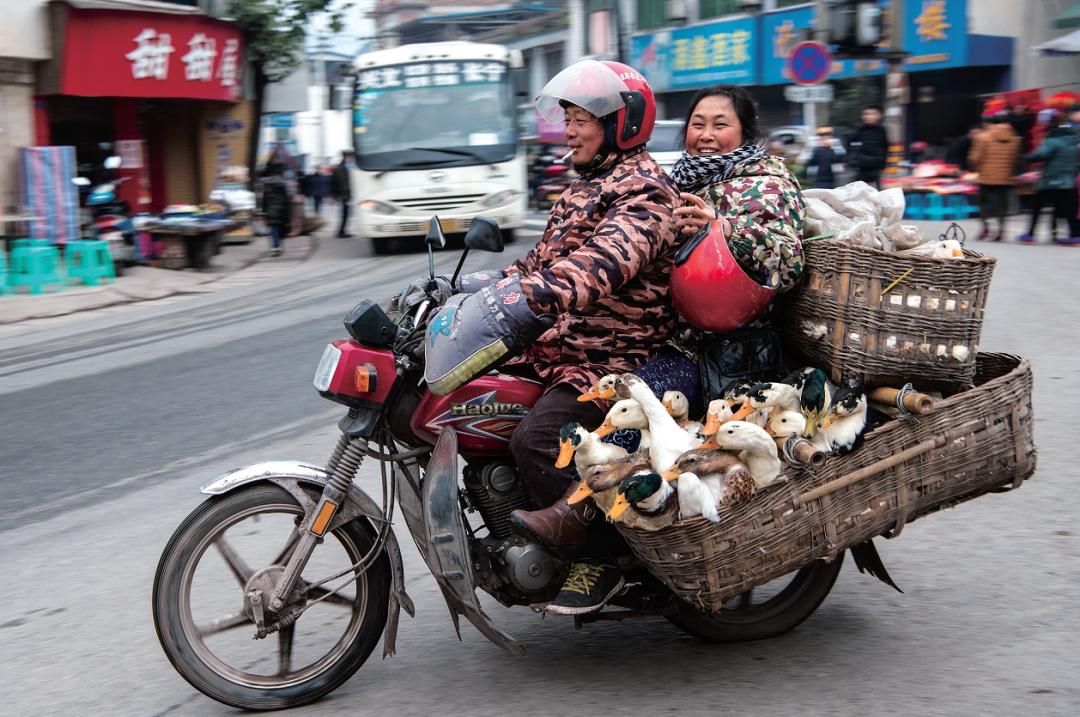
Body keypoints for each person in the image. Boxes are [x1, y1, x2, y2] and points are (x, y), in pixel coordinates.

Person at [425, 59, 682, 616]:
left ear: (623, 123)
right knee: (482, 401)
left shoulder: (644, 191)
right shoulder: (582, 190)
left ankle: (606, 562)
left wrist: (532, 298)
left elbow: (604, 262)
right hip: (560, 348)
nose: (569, 129)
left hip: (612, 359)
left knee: (538, 439)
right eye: (567, 116)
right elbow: (535, 264)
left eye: (583, 117)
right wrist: (458, 287)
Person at [669, 85, 805, 294]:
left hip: (739, 324)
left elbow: (789, 266)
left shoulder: (768, 186)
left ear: (745, 132)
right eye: (697, 124)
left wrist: (725, 230)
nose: (706, 135)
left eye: (720, 125)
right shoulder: (676, 181)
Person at [1018, 113, 1079, 244]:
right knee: (1069, 210)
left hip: (1051, 181)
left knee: (1036, 208)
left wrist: (1026, 158)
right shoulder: (1074, 141)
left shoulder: (1052, 140)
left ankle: (1030, 235)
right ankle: (1074, 235)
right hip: (1069, 181)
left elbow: (1039, 154)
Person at [969, 112, 1021, 242]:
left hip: (986, 177)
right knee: (1002, 205)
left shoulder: (982, 137)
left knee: (982, 203)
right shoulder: (1015, 139)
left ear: (992, 122)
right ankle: (1001, 231)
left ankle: (985, 226)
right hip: (1005, 178)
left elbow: (975, 158)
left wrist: (976, 168)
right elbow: (1016, 159)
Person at [848, 106, 889, 188]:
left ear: (879, 116)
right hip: (861, 167)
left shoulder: (882, 130)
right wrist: (853, 159)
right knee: (857, 191)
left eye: (873, 114)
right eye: (866, 114)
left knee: (878, 192)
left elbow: (885, 146)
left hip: (877, 166)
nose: (870, 117)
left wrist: (883, 162)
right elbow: (849, 144)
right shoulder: (858, 129)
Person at [259, 163, 291, 257]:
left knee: (273, 229)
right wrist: (288, 212)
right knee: (280, 228)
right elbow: (286, 199)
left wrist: (263, 211)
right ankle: (278, 246)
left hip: (270, 210)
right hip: (281, 210)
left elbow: (264, 199)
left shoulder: (267, 184)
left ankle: (274, 247)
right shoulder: (283, 184)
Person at [331, 150, 354, 238]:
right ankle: (341, 231)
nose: (351, 159)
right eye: (350, 157)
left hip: (348, 194)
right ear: (346, 157)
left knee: (347, 213)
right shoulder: (339, 169)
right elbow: (334, 183)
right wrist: (336, 195)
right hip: (344, 195)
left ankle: (343, 230)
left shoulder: (349, 167)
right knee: (345, 213)